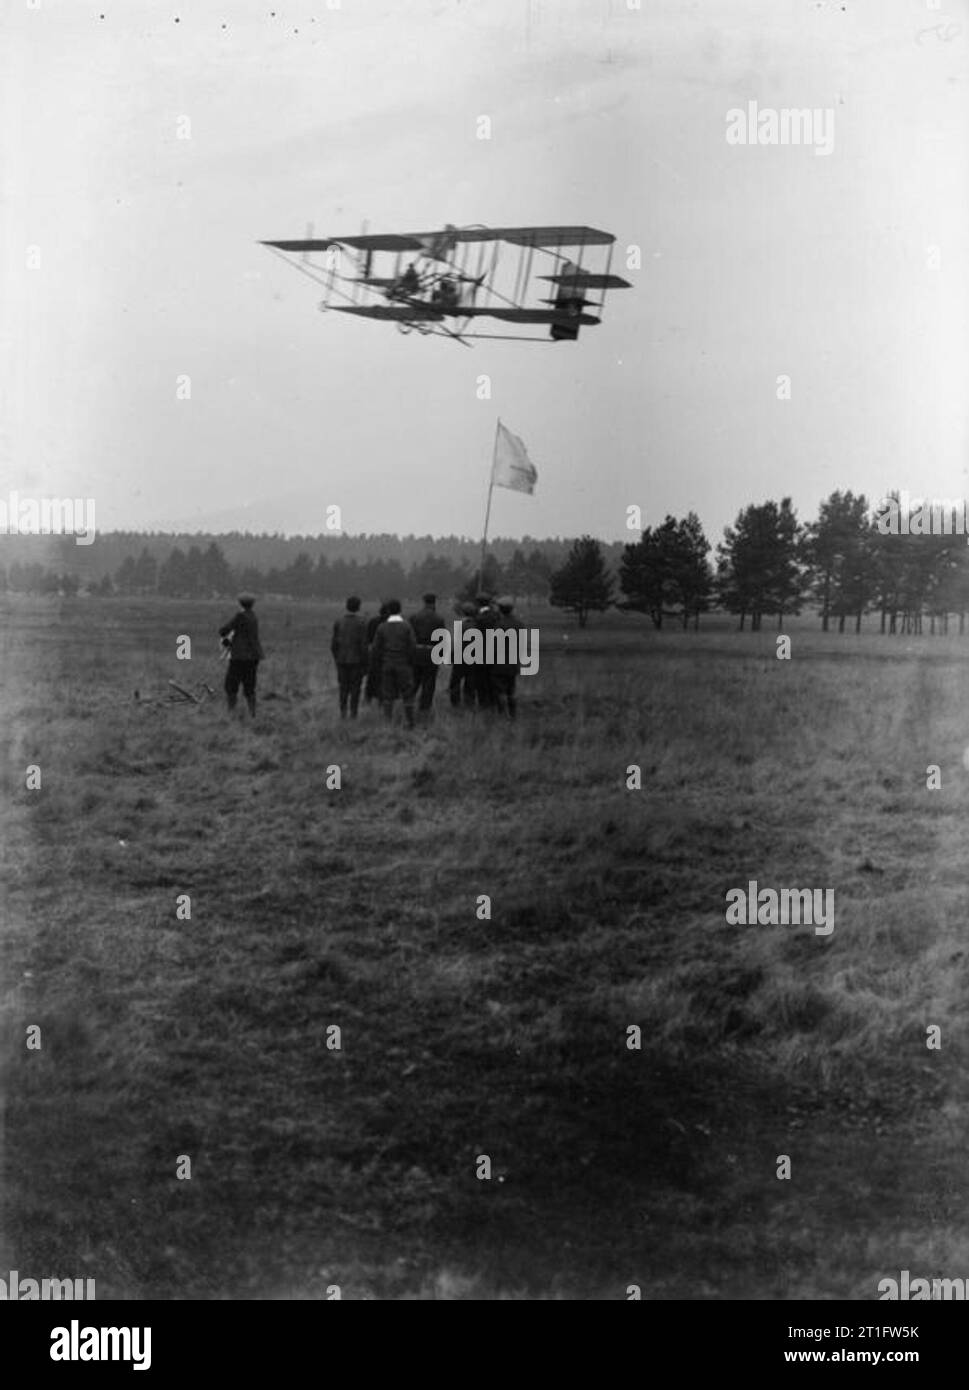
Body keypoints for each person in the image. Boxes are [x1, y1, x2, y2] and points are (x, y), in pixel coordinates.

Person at [371, 598, 416, 727]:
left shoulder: (382, 627)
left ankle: (387, 722)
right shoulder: (407, 626)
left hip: (387, 663)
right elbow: (412, 646)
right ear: (400, 610)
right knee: (407, 694)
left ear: (389, 611)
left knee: (388, 695)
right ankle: (409, 722)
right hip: (403, 664)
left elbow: (376, 648)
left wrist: (379, 662)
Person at [219, 593, 264, 717]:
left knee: (231, 685)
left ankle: (231, 712)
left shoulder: (240, 616)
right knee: (250, 685)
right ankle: (252, 713)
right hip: (254, 656)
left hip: (240, 656)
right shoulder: (254, 617)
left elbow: (224, 630)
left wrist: (224, 634)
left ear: (240, 604)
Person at [409, 592, 448, 717]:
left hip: (416, 652)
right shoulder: (439, 619)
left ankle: (408, 703)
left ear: (424, 602)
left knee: (414, 680)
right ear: (434, 603)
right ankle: (424, 708)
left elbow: (410, 636)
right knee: (429, 682)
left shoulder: (414, 617)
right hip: (432, 652)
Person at [331, 595, 369, 718]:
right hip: (356, 661)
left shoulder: (338, 621)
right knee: (355, 689)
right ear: (358, 607)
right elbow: (364, 645)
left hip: (341, 660)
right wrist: (365, 663)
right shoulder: (362, 623)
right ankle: (353, 714)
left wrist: (337, 658)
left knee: (343, 688)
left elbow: (334, 644)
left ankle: (343, 713)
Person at [493, 596, 524, 718]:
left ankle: (501, 714)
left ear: (500, 609)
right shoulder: (519, 624)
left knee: (500, 690)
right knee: (511, 689)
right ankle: (513, 714)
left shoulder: (499, 625)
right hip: (513, 662)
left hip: (500, 662)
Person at [467, 594, 497, 711]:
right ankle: (493, 702)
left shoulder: (478, 619)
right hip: (494, 653)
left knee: (480, 680)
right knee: (492, 679)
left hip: (480, 653)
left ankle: (483, 704)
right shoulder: (496, 616)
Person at [449, 601, 477, 708]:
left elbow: (455, 643)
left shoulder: (460, 625)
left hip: (459, 658)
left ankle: (455, 703)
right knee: (470, 683)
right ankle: (469, 703)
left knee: (455, 682)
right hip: (473, 657)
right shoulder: (476, 625)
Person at [364, 602, 390, 705]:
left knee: (372, 678)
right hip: (387, 654)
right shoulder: (390, 624)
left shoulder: (373, 621)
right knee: (384, 679)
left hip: (373, 654)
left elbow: (368, 638)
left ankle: (368, 698)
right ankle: (381, 699)